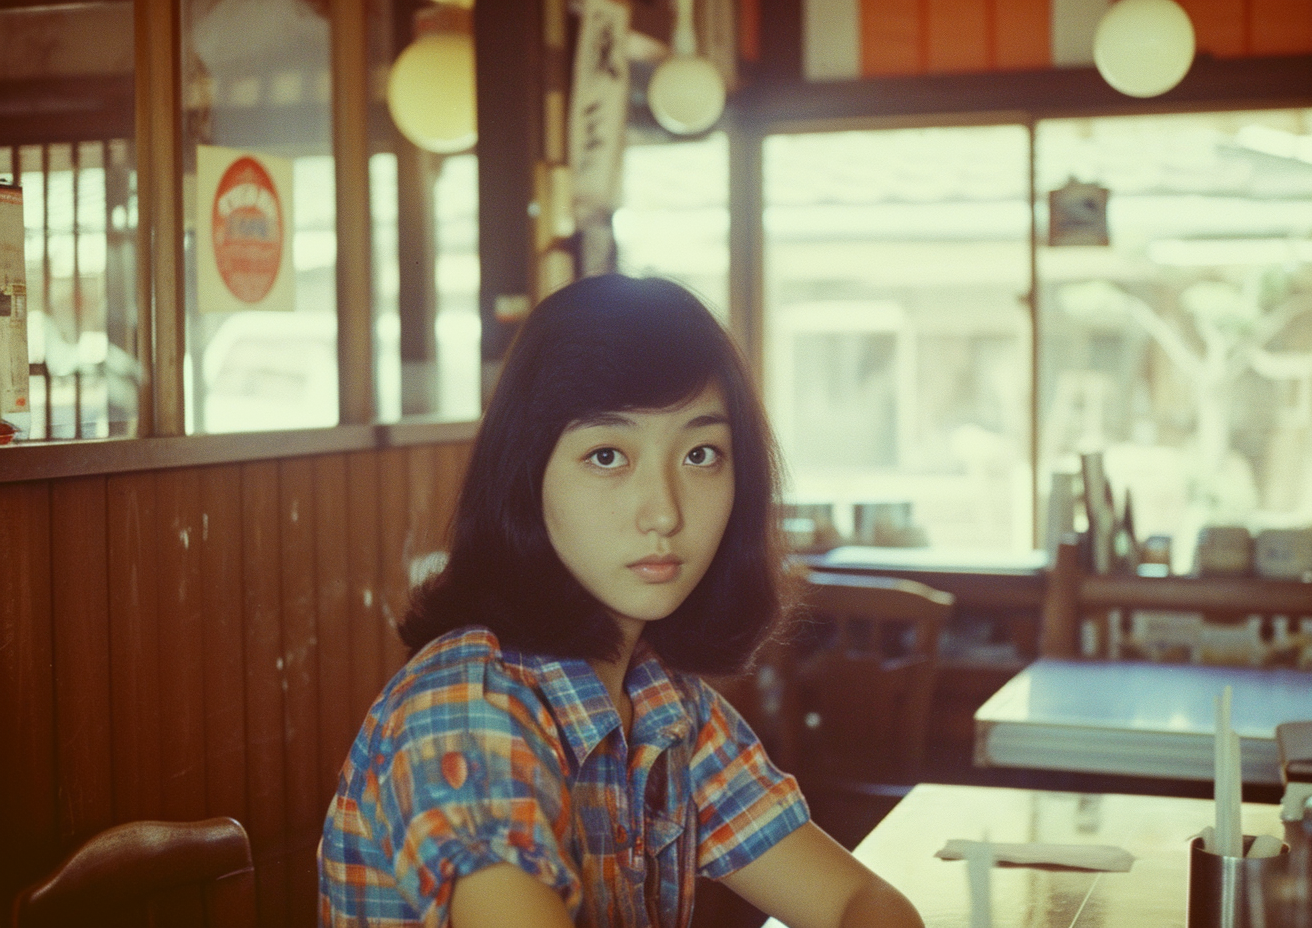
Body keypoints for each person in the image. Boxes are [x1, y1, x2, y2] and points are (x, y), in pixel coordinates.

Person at [318, 274, 923, 928]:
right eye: (607, 455)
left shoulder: (665, 702)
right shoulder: (464, 708)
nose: (663, 511)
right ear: (527, 476)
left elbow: (865, 904)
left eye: (700, 453)